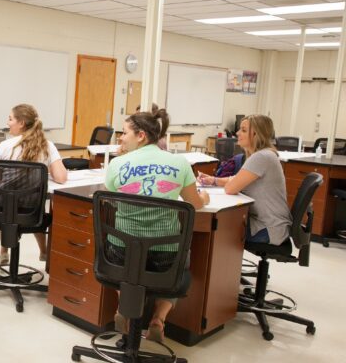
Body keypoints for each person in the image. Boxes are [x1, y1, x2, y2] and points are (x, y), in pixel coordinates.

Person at [105, 110, 209, 343]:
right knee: (180, 263)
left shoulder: (117, 164)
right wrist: (205, 198)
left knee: (126, 266)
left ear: (141, 135)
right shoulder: (179, 163)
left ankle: (125, 309)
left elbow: (110, 201)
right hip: (165, 256)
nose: (120, 138)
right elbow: (195, 204)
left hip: (122, 253)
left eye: (124, 133)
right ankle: (158, 319)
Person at [198, 115, 291, 246]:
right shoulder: (264, 154)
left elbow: (230, 188)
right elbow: (237, 179)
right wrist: (213, 180)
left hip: (267, 229)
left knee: (216, 228)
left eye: (243, 130)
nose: (237, 133)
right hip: (271, 225)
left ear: (255, 134)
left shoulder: (261, 157)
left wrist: (223, 182)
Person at [0, 104, 67, 266]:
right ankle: (44, 251)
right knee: (33, 205)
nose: (8, 122)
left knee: (7, 200)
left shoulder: (5, 146)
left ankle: (4, 251)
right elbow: (61, 177)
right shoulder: (47, 146)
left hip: (0, 211)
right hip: (32, 212)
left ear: (21, 123)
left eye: (10, 119)